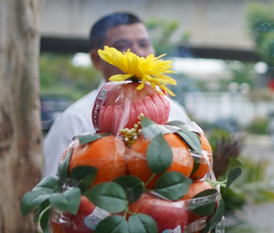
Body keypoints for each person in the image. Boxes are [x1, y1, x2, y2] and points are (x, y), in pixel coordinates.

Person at [42, 12, 190, 178]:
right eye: (121, 46)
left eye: (144, 44)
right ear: (96, 59)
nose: (137, 54)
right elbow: (56, 192)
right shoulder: (75, 119)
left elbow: (195, 176)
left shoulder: (174, 111)